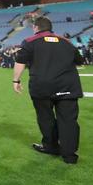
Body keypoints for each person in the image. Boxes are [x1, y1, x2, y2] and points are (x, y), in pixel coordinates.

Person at [13, 17, 84, 164]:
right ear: (50, 28)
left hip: (42, 87)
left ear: (36, 27)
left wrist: (16, 80)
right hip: (67, 86)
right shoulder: (66, 41)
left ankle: (51, 146)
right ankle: (70, 156)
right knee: (69, 120)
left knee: (46, 118)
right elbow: (79, 60)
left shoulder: (29, 41)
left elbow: (20, 62)